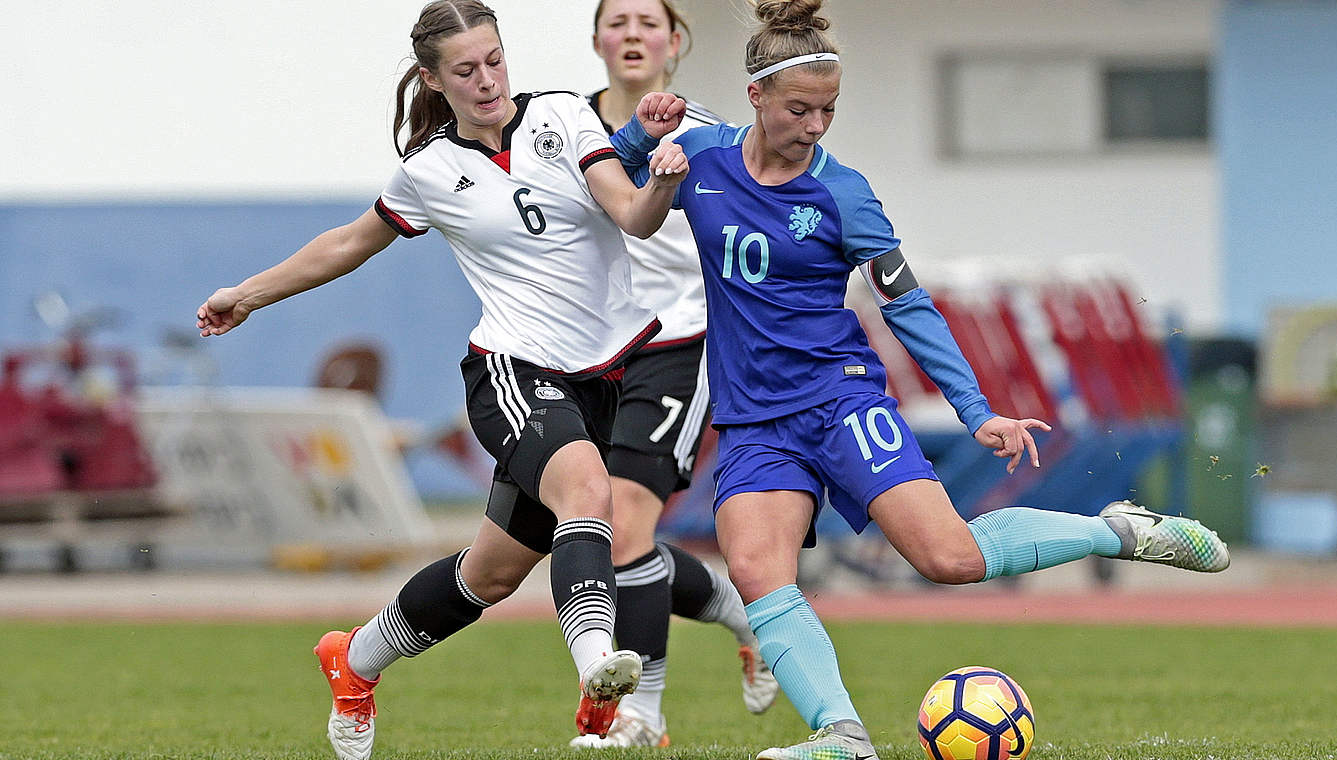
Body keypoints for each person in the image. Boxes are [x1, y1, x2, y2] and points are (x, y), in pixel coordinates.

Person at [609, 1, 1232, 758]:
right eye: (799, 109)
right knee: (755, 570)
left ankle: (1118, 529)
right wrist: (645, 132)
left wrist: (977, 412)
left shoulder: (845, 194)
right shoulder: (702, 153)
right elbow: (619, 176)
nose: (815, 126)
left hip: (840, 400)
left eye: (829, 110)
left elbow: (910, 306)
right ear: (756, 98)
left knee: (950, 559)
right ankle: (842, 737)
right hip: (753, 419)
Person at [195, 2, 689, 758]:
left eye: (494, 60)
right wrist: (248, 294)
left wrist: (658, 181)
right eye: (465, 69)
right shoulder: (430, 170)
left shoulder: (563, 116)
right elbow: (348, 244)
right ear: (433, 78)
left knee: (489, 576)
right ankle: (598, 672)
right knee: (589, 493)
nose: (487, 80)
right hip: (513, 373)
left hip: (603, 378)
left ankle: (354, 661)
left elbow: (631, 214)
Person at [570, 0, 778, 748]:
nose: (632, 33)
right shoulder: (564, 130)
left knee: (626, 522)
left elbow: (759, 229)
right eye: (616, 21)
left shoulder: (712, 136)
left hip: (679, 345)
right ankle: (742, 614)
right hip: (587, 353)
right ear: (595, 39)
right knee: (601, 533)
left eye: (647, 22)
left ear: (675, 41)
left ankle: (643, 714)